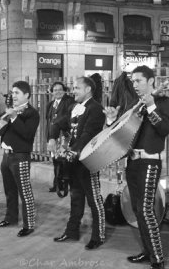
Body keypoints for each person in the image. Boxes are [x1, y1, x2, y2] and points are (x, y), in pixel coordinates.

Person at [105, 66, 168, 269]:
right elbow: (119, 135)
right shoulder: (133, 105)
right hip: (132, 162)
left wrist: (151, 106)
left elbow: (164, 129)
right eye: (132, 81)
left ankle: (157, 258)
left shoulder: (163, 102)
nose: (134, 85)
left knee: (146, 210)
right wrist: (111, 119)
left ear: (151, 81)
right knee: (137, 210)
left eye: (139, 81)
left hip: (150, 161)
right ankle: (147, 251)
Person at [53, 76, 105, 250]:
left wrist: (72, 151)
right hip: (74, 161)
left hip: (89, 161)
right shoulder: (74, 107)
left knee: (94, 200)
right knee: (75, 198)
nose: (73, 91)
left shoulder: (96, 109)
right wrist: (51, 138)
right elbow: (59, 122)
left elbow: (88, 134)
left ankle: (98, 236)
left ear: (88, 89)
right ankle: (72, 231)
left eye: (77, 88)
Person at [0, 81, 39, 237]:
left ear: (26, 95)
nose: (13, 96)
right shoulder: (12, 111)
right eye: (12, 93)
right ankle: (10, 217)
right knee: (9, 190)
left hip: (20, 156)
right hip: (6, 156)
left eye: (17, 93)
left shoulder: (31, 113)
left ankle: (29, 224)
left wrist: (14, 118)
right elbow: (0, 130)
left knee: (24, 191)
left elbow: (27, 133)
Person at [46, 82, 75, 192]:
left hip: (64, 136)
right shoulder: (51, 104)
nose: (57, 92)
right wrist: (49, 137)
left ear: (64, 90)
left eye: (60, 89)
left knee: (63, 161)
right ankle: (57, 183)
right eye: (55, 90)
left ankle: (63, 183)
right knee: (55, 160)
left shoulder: (69, 102)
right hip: (53, 137)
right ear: (52, 92)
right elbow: (48, 122)